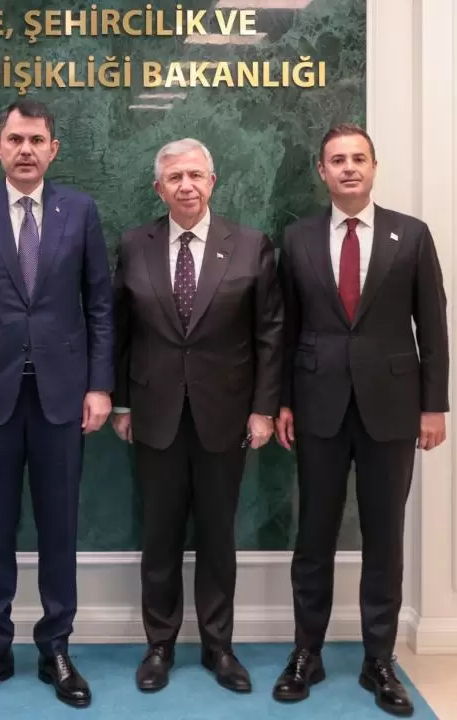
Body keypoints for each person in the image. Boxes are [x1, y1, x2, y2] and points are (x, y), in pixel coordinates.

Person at [0, 98, 114, 709]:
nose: (26, 150)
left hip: (63, 395)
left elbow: (99, 305)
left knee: (59, 526)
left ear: (53, 149)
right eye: (15, 140)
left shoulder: (80, 211)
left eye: (37, 140)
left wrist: (100, 385)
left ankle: (56, 646)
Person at [272, 123, 449, 717]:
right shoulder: (297, 238)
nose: (349, 168)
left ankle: (380, 659)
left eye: (358, 158)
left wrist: (434, 405)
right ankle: (307, 652)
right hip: (317, 406)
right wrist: (283, 401)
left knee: (384, 537)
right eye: (337, 160)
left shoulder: (411, 235)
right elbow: (285, 329)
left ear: (374, 167)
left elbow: (433, 325)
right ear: (321, 171)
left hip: (393, 411)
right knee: (314, 536)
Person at [111, 138, 283, 694]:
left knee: (216, 534)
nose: (185, 185)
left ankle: (218, 646)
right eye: (174, 178)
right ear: (158, 188)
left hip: (226, 415)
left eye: (195, 175)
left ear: (213, 182)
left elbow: (270, 334)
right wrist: (121, 402)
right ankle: (159, 645)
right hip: (154, 413)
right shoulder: (134, 244)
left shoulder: (251, 245)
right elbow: (119, 331)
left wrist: (262, 409)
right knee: (159, 535)